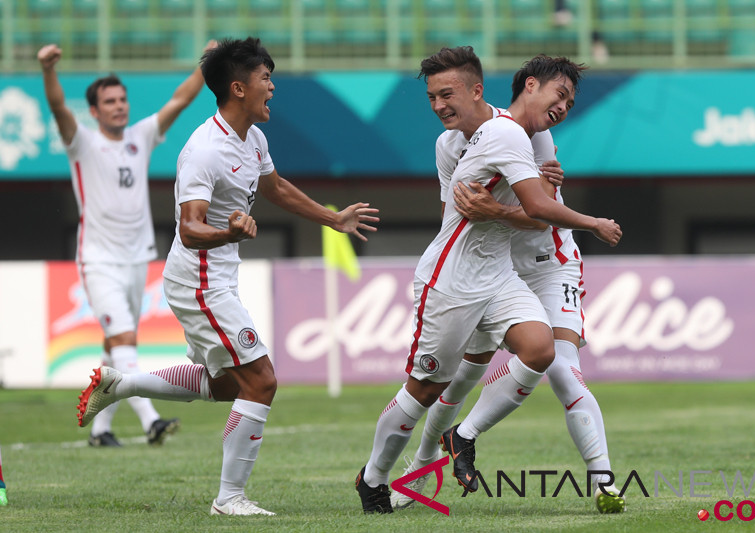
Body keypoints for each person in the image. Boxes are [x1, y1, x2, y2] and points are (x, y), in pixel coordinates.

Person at [76, 37, 379, 517]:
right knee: (262, 380)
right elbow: (189, 229)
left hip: (216, 276)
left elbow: (273, 187)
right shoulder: (203, 150)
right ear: (238, 88)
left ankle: (123, 384)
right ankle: (229, 498)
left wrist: (332, 217)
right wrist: (228, 231)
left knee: (224, 386)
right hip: (197, 279)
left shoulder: (253, 138)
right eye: (266, 79)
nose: (273, 88)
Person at [355, 51, 621, 514]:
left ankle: (594, 477)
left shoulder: (522, 136)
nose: (439, 105)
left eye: (447, 94)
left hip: (522, 268)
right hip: (457, 281)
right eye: (432, 97)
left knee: (546, 355)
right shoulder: (461, 142)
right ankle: (381, 475)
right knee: (435, 387)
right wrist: (593, 221)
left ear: (477, 90)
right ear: (529, 86)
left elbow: (538, 213)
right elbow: (465, 214)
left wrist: (510, 207)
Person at [38, 41, 218, 447]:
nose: (119, 106)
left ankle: (100, 431)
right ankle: (151, 420)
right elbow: (58, 109)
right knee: (123, 339)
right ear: (95, 110)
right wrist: (49, 71)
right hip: (98, 260)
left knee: (113, 346)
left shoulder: (141, 136)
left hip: (138, 258)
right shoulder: (81, 142)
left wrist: (208, 63)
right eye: (110, 101)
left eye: (122, 99)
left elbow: (181, 99)